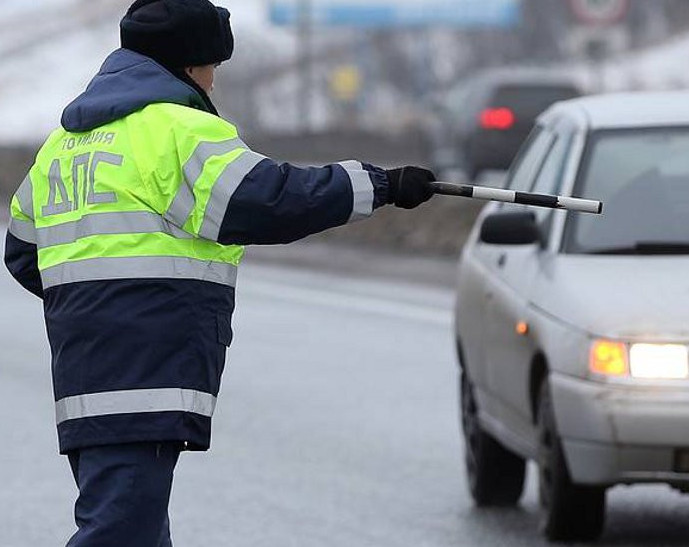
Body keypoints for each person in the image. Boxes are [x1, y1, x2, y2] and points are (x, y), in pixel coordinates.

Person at [3, 0, 435, 545]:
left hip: (87, 374)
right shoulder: (179, 130)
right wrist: (381, 185)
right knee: (120, 532)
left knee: (132, 525)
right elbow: (267, 198)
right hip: (147, 368)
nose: (214, 81)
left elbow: (23, 253)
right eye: (213, 67)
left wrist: (91, 299)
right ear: (190, 65)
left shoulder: (63, 145)